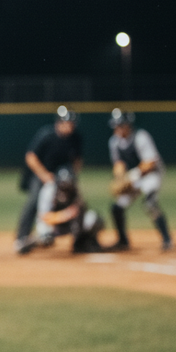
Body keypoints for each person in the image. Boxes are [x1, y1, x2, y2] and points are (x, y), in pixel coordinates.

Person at [15, 105, 83, 254]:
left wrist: (73, 178)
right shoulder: (47, 135)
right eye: (67, 122)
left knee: (73, 200)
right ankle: (21, 238)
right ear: (59, 122)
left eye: (72, 123)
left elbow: (77, 160)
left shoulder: (75, 137)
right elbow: (31, 157)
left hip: (62, 176)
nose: (70, 126)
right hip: (40, 173)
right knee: (34, 200)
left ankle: (73, 236)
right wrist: (44, 175)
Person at [107, 109, 172, 250]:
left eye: (120, 125)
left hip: (151, 175)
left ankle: (167, 240)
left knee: (150, 204)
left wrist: (131, 176)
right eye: (116, 126)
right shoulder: (114, 142)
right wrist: (120, 179)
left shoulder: (141, 137)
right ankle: (123, 241)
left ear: (127, 125)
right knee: (116, 208)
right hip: (133, 177)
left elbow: (150, 163)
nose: (117, 129)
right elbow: (118, 164)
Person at [19, 167, 104, 254]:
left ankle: (85, 242)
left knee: (94, 219)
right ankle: (32, 242)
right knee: (45, 235)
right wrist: (65, 215)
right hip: (54, 227)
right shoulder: (49, 190)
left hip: (70, 224)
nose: (67, 187)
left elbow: (82, 209)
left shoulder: (75, 189)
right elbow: (44, 217)